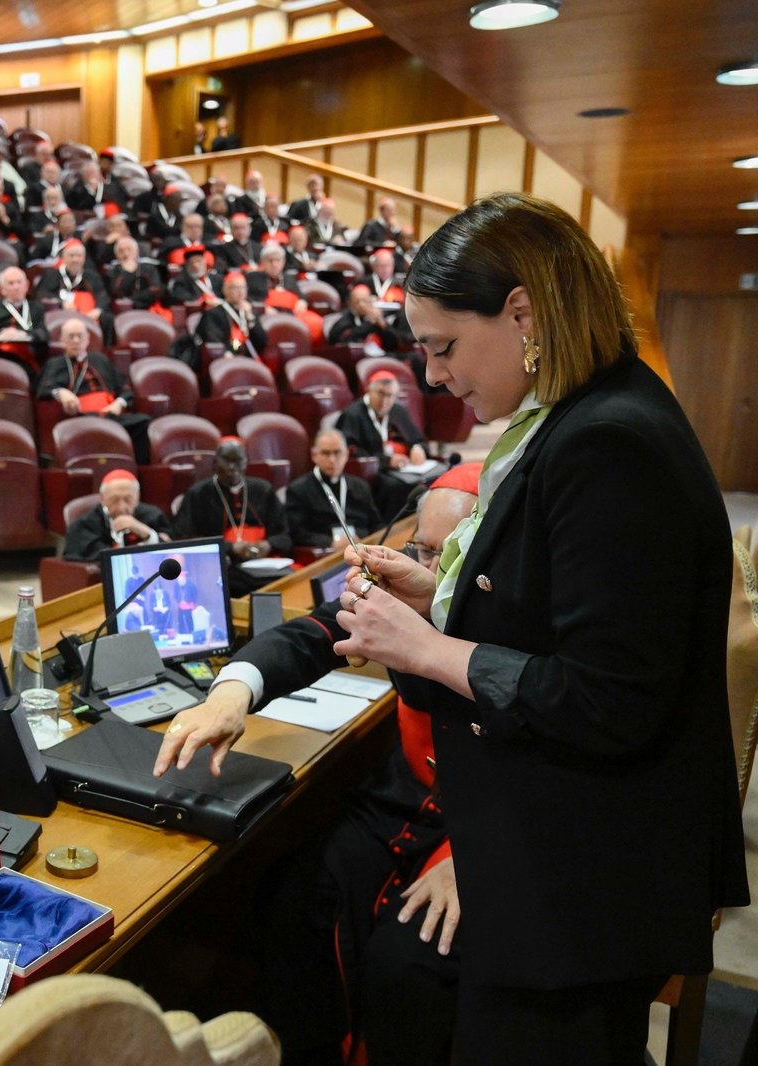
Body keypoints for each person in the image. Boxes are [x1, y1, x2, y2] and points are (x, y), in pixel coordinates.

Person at [159, 193, 750, 1063]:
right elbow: (562, 609)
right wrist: (439, 589)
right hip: (559, 842)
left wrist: (431, 645)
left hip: (580, 875)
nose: (433, 376)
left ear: (523, 314)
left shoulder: (610, 439)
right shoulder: (582, 415)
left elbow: (609, 695)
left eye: (442, 346)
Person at [168, 467, 480, 1065]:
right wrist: (232, 691)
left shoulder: (515, 611)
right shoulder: (412, 593)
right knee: (293, 896)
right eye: (420, 547)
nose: (425, 566)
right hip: (406, 796)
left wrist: (475, 858)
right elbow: (311, 634)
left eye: (444, 553)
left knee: (407, 961)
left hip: (487, 821)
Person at [172, 437, 289, 595]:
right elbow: (184, 538)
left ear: (246, 462)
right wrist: (229, 548)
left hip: (264, 566)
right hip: (221, 567)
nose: (232, 467)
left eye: (238, 461)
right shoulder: (198, 494)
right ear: (214, 463)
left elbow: (285, 535)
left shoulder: (263, 489)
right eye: (226, 461)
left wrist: (268, 544)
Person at [37, 317, 151, 464]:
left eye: (80, 336)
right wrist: (61, 392)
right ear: (62, 340)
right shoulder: (55, 363)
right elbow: (43, 390)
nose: (76, 341)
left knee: (143, 422)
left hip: (111, 413)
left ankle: (135, 472)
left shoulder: (101, 359)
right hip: (80, 416)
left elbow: (124, 389)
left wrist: (119, 404)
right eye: (71, 337)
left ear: (88, 339)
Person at [335, 370, 427, 515]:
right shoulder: (352, 414)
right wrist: (386, 461)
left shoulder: (398, 411)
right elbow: (351, 452)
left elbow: (418, 439)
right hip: (375, 472)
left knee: (430, 477)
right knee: (395, 486)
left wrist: (417, 448)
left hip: (405, 468)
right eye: (380, 393)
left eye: (390, 396)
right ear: (368, 391)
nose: (385, 401)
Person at [284, 429, 380, 551]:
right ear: (314, 456)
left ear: (346, 455)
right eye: (325, 453)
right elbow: (297, 533)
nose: (332, 460)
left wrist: (368, 541)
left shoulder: (361, 486)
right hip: (325, 554)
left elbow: (377, 524)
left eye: (337, 453)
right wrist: (330, 543)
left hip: (364, 549)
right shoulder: (298, 490)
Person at [64, 469, 172, 562]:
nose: (121, 507)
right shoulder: (85, 524)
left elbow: (171, 550)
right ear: (102, 498)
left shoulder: (154, 515)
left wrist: (146, 533)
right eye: (114, 500)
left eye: (128, 499)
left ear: (137, 497)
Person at [0, 266, 49, 380]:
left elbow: (43, 334)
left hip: (27, 357)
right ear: (2, 289)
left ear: (26, 286)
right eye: (11, 283)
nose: (16, 287)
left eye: (19, 282)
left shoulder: (36, 308)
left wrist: (25, 335)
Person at [33, 240, 113, 345]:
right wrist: (61, 303)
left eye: (79, 256)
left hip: (89, 316)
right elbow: (41, 295)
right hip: (61, 314)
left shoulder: (92, 276)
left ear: (84, 259)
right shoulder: (51, 275)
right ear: (64, 257)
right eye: (71, 256)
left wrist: (98, 310)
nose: (75, 259)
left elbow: (102, 296)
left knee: (108, 319)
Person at [196, 271, 268, 360]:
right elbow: (213, 340)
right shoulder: (214, 313)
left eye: (243, 287)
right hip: (225, 359)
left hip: (247, 358)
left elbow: (262, 343)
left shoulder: (250, 311)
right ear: (225, 289)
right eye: (236, 288)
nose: (240, 291)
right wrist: (226, 352)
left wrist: (250, 319)